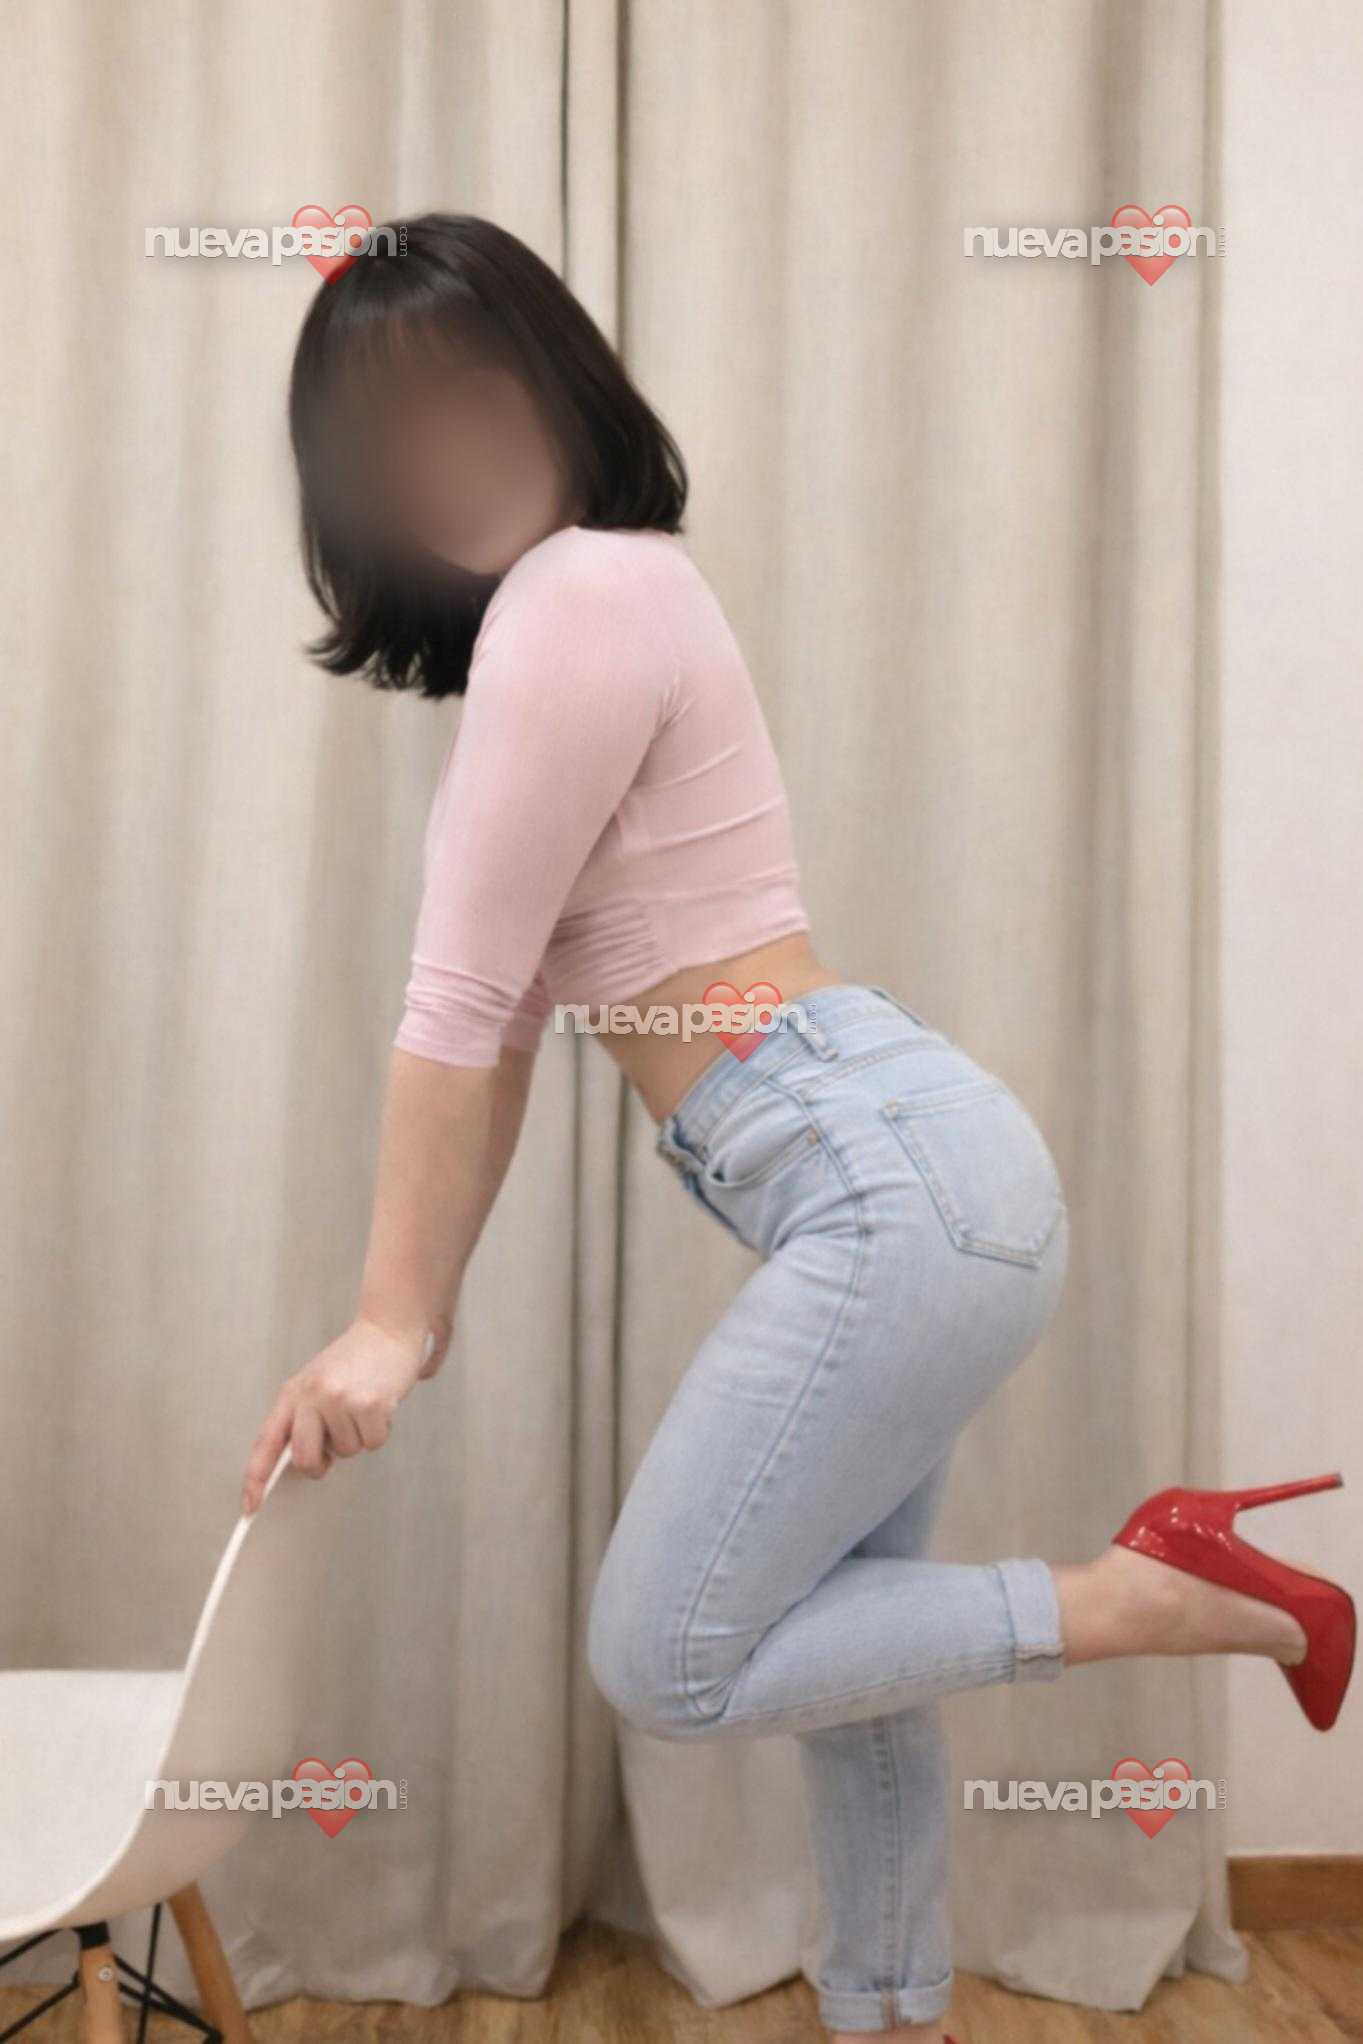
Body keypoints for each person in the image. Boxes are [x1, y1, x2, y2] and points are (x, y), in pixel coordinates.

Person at [240, 214, 1354, 2044]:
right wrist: (410, 1323)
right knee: (849, 1647)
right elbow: (500, 1025)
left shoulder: (579, 592)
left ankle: (1154, 1595)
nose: (436, 453)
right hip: (903, 1164)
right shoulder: (598, 600)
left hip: (878, 1174)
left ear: (560, 388)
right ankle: (889, 2009)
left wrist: (386, 1320)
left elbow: (456, 1007)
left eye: (471, 395)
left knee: (665, 1651)